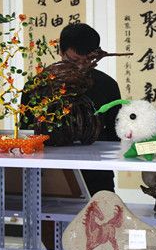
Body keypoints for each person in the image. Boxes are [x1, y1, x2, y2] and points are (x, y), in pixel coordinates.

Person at [22, 23, 121, 195]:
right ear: (60, 51)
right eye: (74, 61)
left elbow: (115, 135)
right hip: (50, 176)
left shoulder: (107, 85)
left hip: (97, 175)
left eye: (88, 60)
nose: (81, 67)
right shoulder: (37, 86)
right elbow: (27, 133)